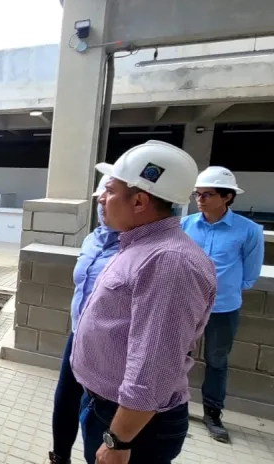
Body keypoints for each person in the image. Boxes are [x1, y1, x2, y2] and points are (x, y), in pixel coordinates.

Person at [71, 140, 217, 464]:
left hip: (133, 428)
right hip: (106, 408)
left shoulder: (168, 262)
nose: (102, 199)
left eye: (109, 190)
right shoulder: (139, 246)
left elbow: (153, 367)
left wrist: (118, 441)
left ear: (139, 201)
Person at [181, 166, 264, 443]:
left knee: (217, 362)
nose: (200, 199)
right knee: (174, 355)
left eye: (208, 194)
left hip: (223, 308)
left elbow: (250, 273)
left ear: (227, 197)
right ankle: (169, 406)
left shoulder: (248, 231)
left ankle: (212, 415)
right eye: (197, 194)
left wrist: (223, 292)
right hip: (185, 305)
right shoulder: (186, 225)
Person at [49, 175, 120, 464]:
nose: (101, 202)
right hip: (79, 334)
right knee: (65, 399)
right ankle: (60, 456)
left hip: (111, 346)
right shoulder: (93, 238)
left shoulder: (138, 248)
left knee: (98, 413)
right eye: (100, 198)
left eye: (109, 195)